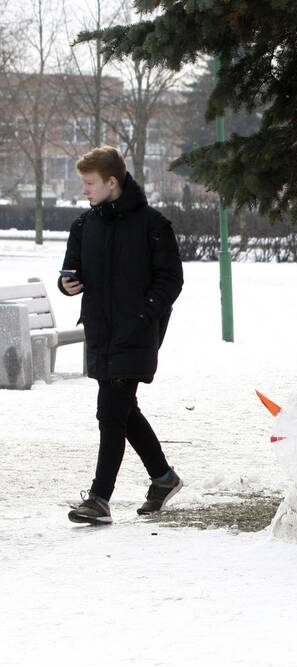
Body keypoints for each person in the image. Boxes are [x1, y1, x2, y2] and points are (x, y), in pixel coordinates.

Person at [59, 146, 184, 525]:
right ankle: (163, 478)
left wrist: (145, 313)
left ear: (112, 182)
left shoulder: (153, 225)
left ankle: (99, 498)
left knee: (110, 413)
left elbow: (171, 280)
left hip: (137, 332)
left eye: (90, 183)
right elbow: (69, 271)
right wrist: (68, 284)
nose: (85, 190)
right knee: (123, 410)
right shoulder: (84, 226)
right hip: (100, 331)